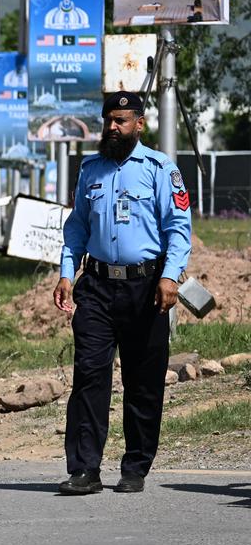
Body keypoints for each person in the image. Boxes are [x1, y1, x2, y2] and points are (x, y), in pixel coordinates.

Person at [54, 91, 191, 495]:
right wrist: (66, 271)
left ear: (139, 124)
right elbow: (77, 225)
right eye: (109, 120)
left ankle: (135, 466)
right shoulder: (90, 170)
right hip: (96, 286)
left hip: (146, 288)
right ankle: (84, 470)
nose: (114, 127)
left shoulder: (159, 168)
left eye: (122, 121)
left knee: (143, 381)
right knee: (89, 376)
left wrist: (170, 277)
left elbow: (178, 229)